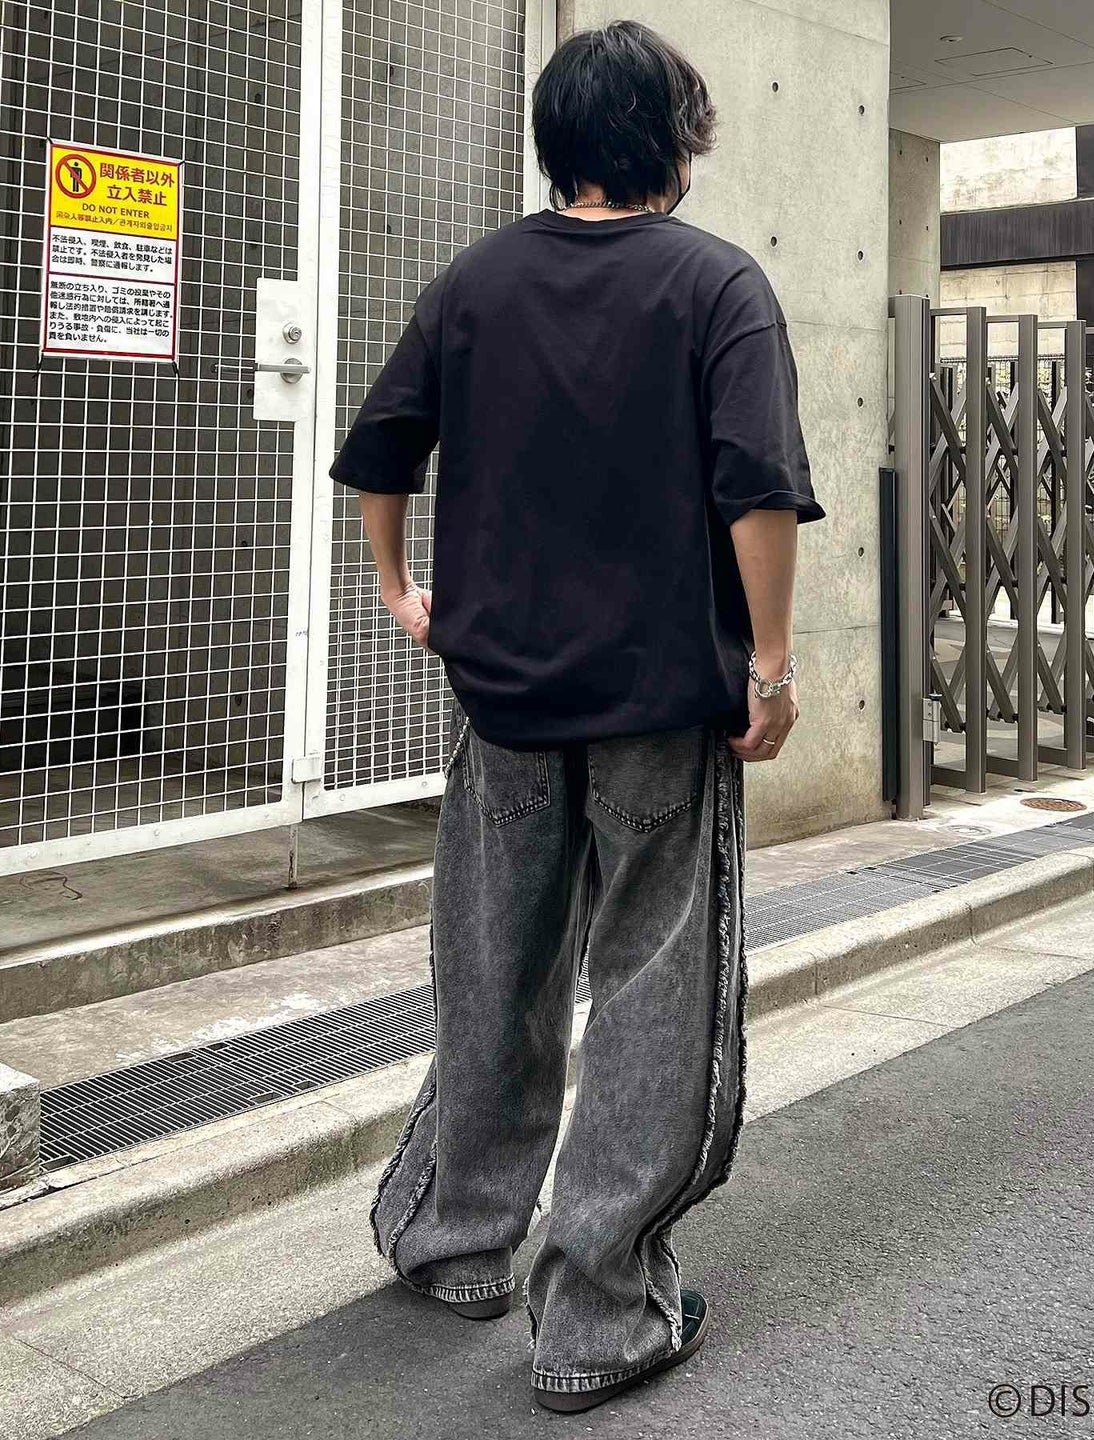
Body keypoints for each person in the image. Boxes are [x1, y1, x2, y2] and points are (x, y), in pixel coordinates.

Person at [330, 18, 824, 1414]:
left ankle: (455, 1242)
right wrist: (770, 666)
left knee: (496, 969)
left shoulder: (475, 279)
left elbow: (380, 449)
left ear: (558, 141)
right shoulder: (716, 284)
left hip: (503, 701)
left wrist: (401, 589)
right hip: (660, 703)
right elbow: (756, 489)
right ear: (677, 141)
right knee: (655, 992)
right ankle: (599, 1312)